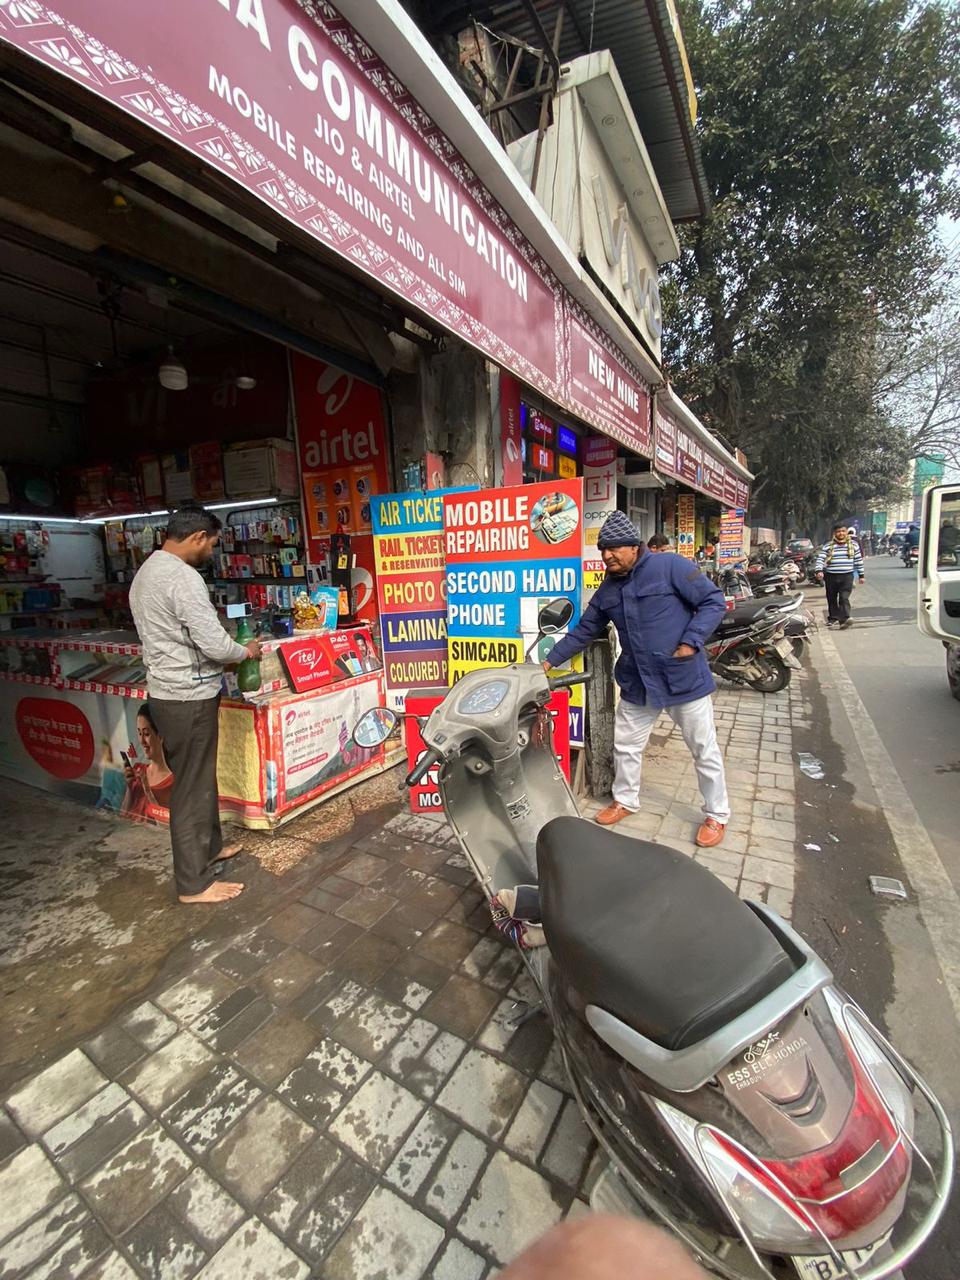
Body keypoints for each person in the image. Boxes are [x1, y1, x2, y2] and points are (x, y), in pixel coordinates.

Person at [543, 511, 730, 848]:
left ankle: (717, 814)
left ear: (634, 547)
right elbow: (586, 630)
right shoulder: (608, 588)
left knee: (704, 749)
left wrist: (691, 641)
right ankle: (626, 800)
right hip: (637, 681)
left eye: (613, 549)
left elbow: (713, 601)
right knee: (626, 745)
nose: (607, 556)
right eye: (602, 550)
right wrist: (548, 661)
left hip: (682, 678)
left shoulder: (669, 566)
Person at [129, 504, 260, 904]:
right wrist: (245, 651)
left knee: (199, 778)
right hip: (188, 696)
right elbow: (213, 643)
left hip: (168, 694)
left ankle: (210, 848)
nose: (212, 551)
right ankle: (193, 884)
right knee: (191, 788)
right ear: (198, 537)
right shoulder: (182, 579)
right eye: (213, 543)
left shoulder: (147, 572)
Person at [121, 703, 174, 820]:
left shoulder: (172, 782)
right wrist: (129, 788)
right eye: (139, 733)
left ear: (160, 736)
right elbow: (123, 815)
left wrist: (146, 788)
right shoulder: (137, 770)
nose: (141, 741)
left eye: (146, 734)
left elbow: (167, 823)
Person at [813, 523, 865, 629]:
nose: (841, 533)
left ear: (846, 532)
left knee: (844, 597)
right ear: (834, 533)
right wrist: (819, 570)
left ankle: (845, 619)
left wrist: (861, 575)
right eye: (838, 531)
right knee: (831, 598)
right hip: (831, 576)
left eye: (843, 531)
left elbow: (858, 560)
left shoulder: (853, 545)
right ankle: (833, 618)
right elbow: (820, 559)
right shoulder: (828, 546)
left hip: (847, 576)